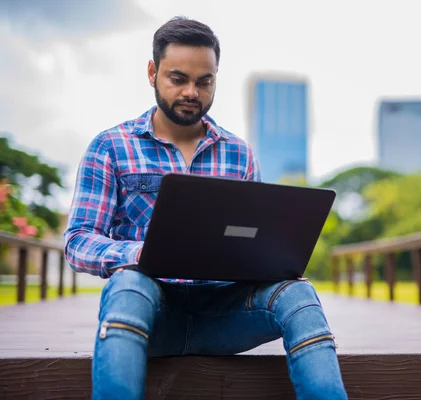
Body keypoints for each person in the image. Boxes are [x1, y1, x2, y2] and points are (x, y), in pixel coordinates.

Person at [64, 16, 347, 400]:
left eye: (204, 81)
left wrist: (271, 261)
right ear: (152, 72)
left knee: (299, 292)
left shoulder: (239, 154)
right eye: (177, 78)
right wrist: (139, 254)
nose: (191, 92)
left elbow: (258, 241)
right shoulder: (110, 147)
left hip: (225, 318)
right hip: (149, 315)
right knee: (128, 283)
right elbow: (78, 241)